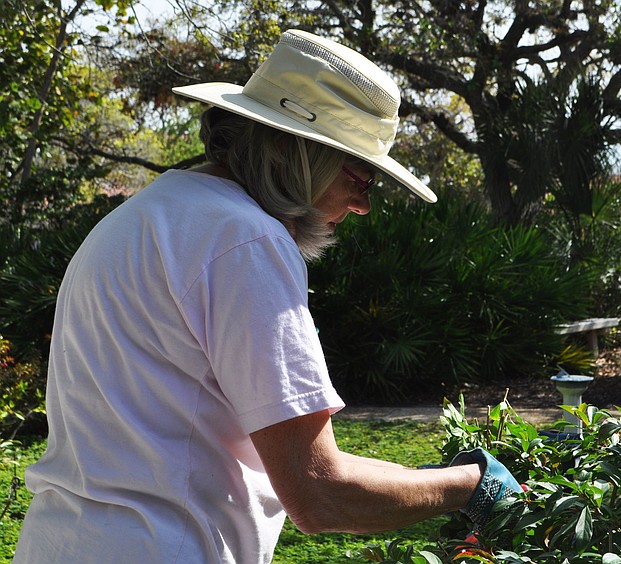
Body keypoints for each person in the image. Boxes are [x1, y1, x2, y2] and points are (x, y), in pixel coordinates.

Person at [13, 29, 520, 563]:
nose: (364, 202)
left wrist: (441, 477)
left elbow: (304, 459)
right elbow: (319, 492)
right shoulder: (244, 239)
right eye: (362, 173)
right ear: (301, 151)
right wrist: (471, 487)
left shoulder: (152, 215)